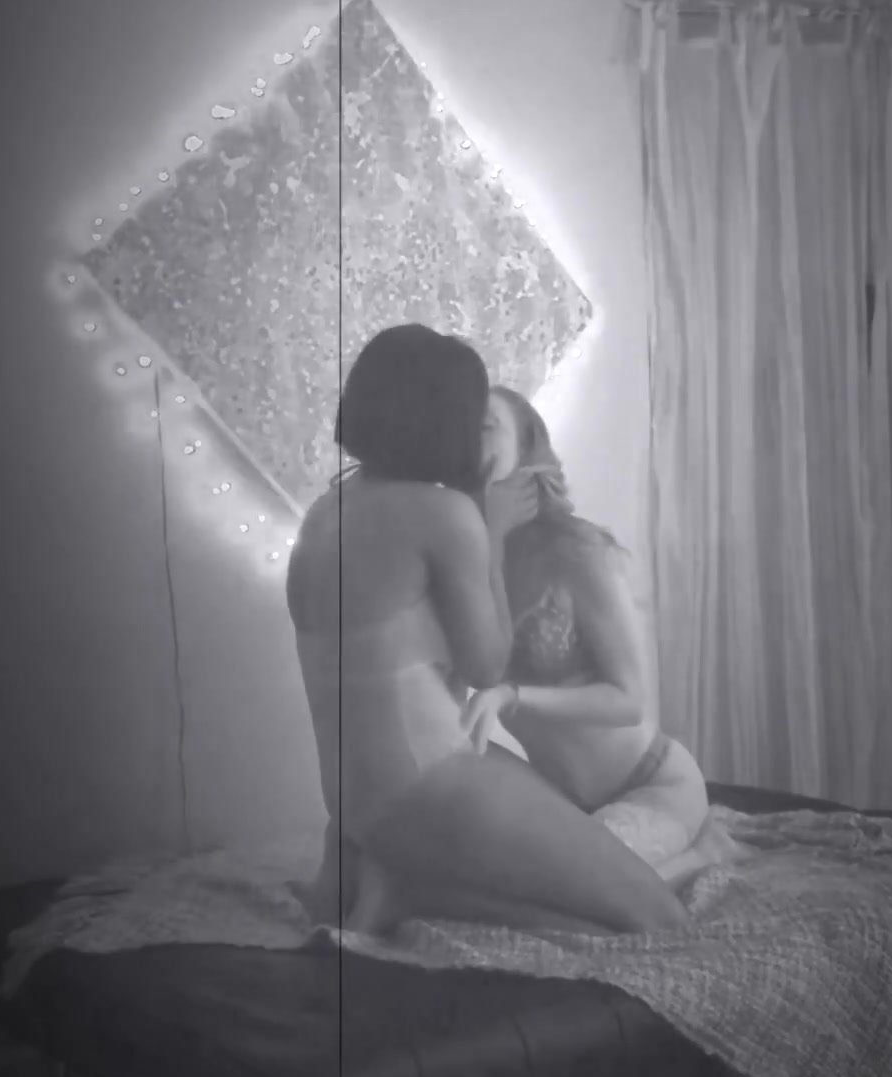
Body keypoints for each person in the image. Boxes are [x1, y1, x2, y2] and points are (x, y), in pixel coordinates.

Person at [286, 325, 688, 936]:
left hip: (348, 800)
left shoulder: (325, 511)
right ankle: (415, 896)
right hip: (425, 780)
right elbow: (486, 667)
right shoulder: (442, 514)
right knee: (660, 919)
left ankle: (401, 883)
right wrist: (492, 533)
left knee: (591, 884)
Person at [472, 386, 734, 883]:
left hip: (652, 786)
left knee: (576, 889)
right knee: (500, 878)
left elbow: (629, 702)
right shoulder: (469, 560)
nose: (467, 440)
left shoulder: (577, 551)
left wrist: (513, 695)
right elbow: (477, 664)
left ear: (525, 449)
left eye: (485, 427)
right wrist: (491, 537)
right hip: (566, 801)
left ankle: (706, 855)